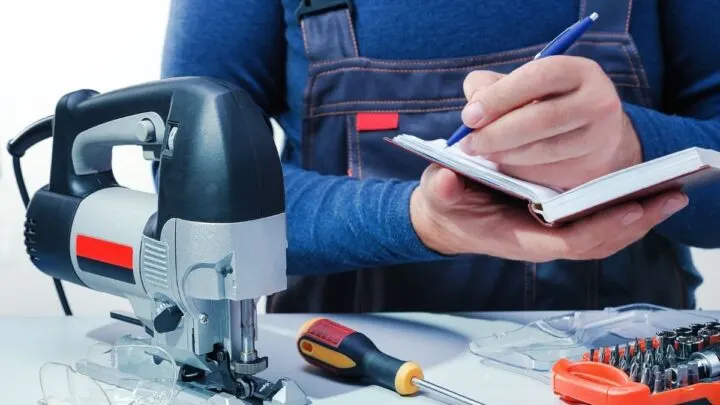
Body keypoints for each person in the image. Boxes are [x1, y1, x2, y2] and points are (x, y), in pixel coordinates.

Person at [159, 0, 720, 313]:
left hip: (618, 381)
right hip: (339, 373)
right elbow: (193, 186)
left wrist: (630, 148)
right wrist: (415, 220)